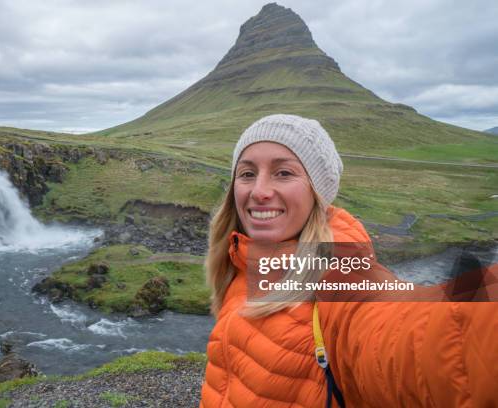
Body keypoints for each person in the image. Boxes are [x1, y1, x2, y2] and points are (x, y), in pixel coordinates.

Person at [199, 114, 498, 407]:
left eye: (284, 173)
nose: (259, 191)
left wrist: (476, 324)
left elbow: (411, 341)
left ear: (317, 192)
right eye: (247, 173)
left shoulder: (340, 274)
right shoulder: (240, 262)